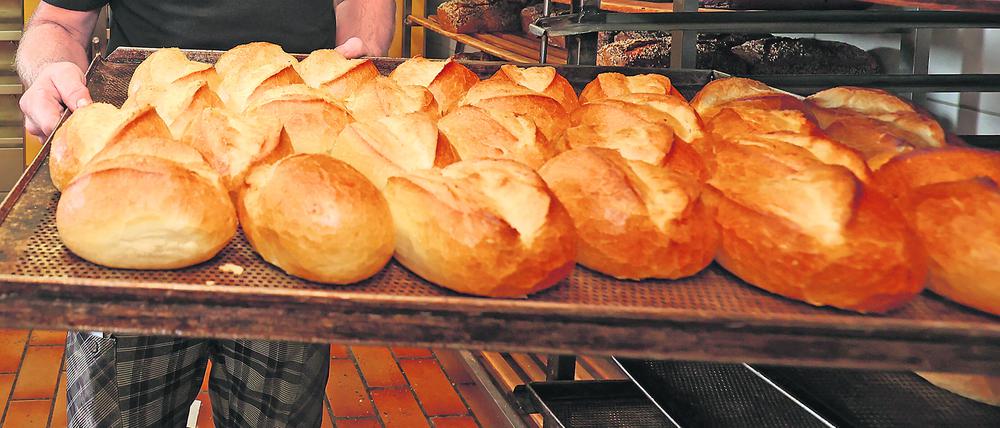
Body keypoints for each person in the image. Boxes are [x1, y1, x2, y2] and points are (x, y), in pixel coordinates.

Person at [15, 1, 395, 426]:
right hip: (136, 186)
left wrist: (363, 52)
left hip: (300, 200)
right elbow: (58, 21)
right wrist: (52, 69)